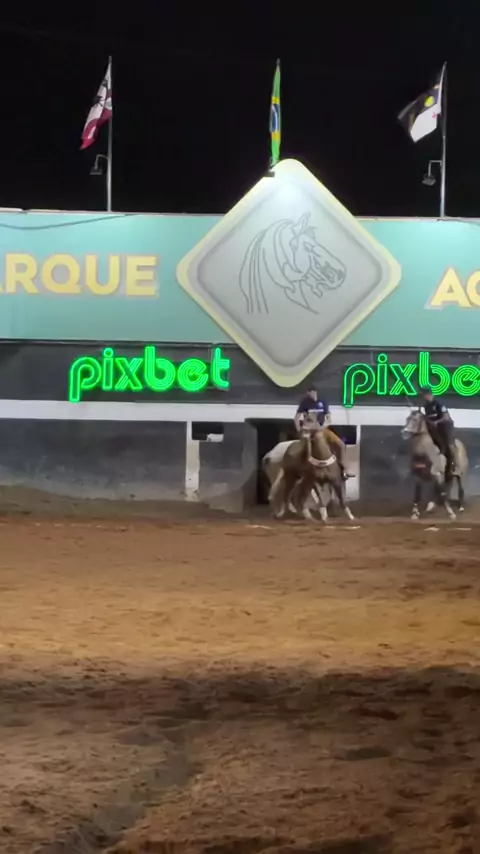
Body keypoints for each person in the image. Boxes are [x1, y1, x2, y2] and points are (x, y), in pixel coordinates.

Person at [294, 386, 352, 479]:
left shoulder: (323, 401)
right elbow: (296, 418)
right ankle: (300, 470)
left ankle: (344, 469)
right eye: (307, 393)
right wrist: (299, 430)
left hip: (322, 429)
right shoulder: (305, 402)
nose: (308, 395)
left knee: (340, 445)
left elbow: (329, 419)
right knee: (302, 449)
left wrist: (323, 427)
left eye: (309, 392)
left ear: (314, 392)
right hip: (309, 431)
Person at [420, 387, 456, 476]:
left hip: (444, 426)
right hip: (433, 427)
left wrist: (436, 422)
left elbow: (445, 416)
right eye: (423, 395)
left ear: (430, 394)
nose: (425, 397)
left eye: (426, 395)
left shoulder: (439, 404)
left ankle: (452, 466)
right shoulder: (426, 406)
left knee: (448, 445)